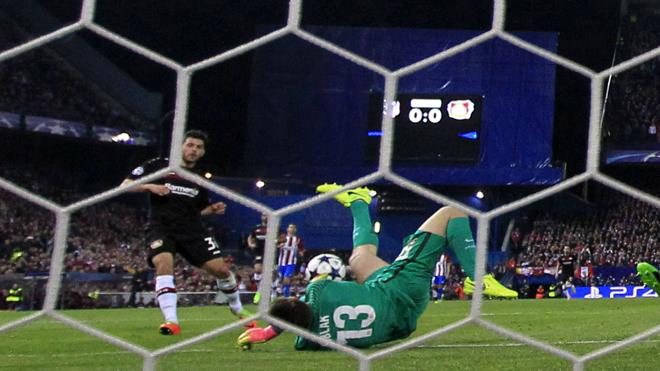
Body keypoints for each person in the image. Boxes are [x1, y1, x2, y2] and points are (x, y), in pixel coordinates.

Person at [237, 183, 516, 350]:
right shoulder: (318, 289)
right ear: (297, 301)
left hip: (400, 324)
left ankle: (358, 202)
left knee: (359, 259)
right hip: (401, 288)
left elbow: (297, 317)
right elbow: (318, 298)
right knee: (452, 213)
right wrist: (274, 324)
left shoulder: (308, 342)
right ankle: (478, 278)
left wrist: (268, 332)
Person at [121, 129, 251, 335]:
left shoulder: (199, 179)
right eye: (190, 145)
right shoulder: (158, 165)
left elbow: (199, 210)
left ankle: (238, 309)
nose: (193, 150)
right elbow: (125, 186)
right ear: (181, 146)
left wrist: (212, 209)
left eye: (198, 147)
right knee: (163, 263)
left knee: (222, 271)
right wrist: (150, 186)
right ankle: (171, 321)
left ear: (202, 153)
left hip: (192, 230)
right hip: (161, 227)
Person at [277, 223, 305, 298]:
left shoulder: (297, 239)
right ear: (287, 229)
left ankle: (286, 296)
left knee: (286, 278)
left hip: (291, 262)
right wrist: (279, 246)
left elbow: (302, 249)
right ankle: (283, 293)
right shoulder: (282, 238)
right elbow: (276, 245)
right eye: (290, 227)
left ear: (295, 230)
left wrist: (301, 252)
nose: (291, 229)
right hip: (281, 262)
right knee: (282, 279)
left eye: (293, 228)